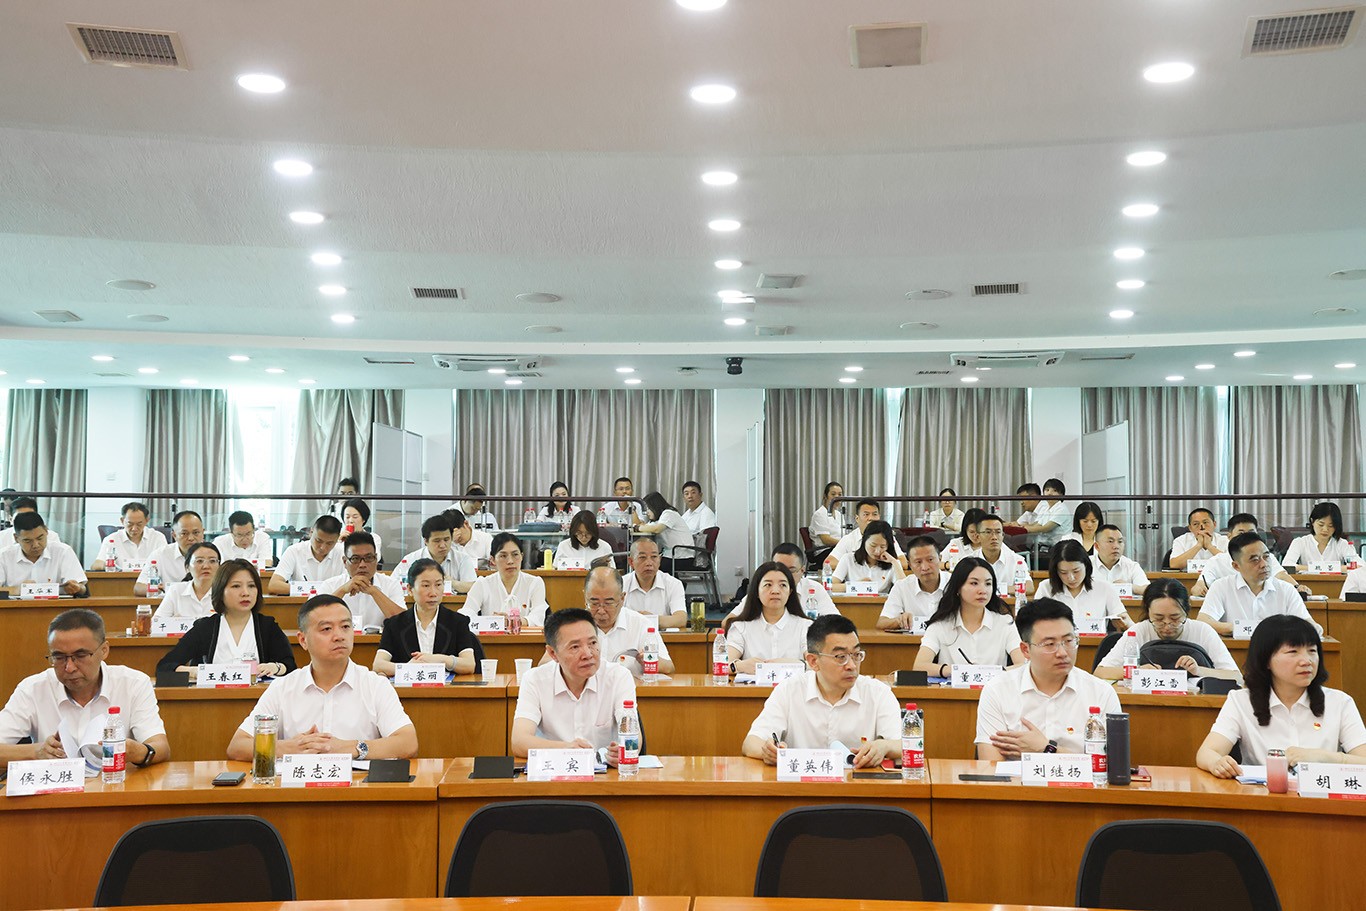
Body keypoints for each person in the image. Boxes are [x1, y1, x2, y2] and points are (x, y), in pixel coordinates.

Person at [226, 594, 418, 761]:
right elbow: (238, 746)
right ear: (303, 640)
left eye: (345, 626)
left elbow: (408, 742)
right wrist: (288, 748)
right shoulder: (283, 688)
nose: (339, 636)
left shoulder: (375, 685)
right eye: (326, 629)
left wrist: (351, 748)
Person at [0, 609, 169, 771]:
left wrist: (137, 751)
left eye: (80, 656)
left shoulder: (133, 683)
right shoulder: (32, 689)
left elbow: (161, 747)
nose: (69, 667)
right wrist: (36, 752)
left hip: (115, 784)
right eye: (59, 657)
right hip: (55, 787)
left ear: (104, 650)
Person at [1197, 615, 1366, 777]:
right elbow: (1207, 752)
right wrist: (1218, 763)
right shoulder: (1241, 701)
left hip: (1322, 794)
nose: (1307, 661)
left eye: (1312, 651)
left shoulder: (1339, 702)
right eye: (1293, 651)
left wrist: (1324, 758)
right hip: (1263, 794)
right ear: (1266, 660)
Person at [742, 614, 901, 767]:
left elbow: (903, 745)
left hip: (858, 783)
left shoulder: (878, 693)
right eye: (841, 657)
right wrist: (768, 751)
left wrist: (884, 746)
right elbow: (751, 742)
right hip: (801, 782)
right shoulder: (789, 690)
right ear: (813, 661)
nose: (852, 665)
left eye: (856, 655)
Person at [974, 599, 1121, 760]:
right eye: (1050, 644)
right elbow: (991, 766)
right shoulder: (998, 690)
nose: (1062, 653)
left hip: (1079, 778)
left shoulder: (1101, 693)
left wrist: (1047, 749)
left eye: (1069, 641)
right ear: (1025, 650)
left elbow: (1113, 765)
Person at [510, 607, 634, 765]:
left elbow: (633, 735)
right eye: (575, 647)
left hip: (605, 773)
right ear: (553, 653)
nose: (588, 654)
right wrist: (567, 749)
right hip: (553, 772)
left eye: (593, 643)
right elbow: (519, 741)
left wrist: (625, 751)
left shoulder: (618, 676)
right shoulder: (535, 680)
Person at [157, 560, 295, 679]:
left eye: (251, 586)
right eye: (236, 586)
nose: (246, 593)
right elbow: (165, 666)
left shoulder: (267, 626)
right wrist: (195, 672)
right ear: (220, 591)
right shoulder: (205, 627)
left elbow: (290, 666)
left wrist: (275, 667)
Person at [1095, 579, 1239, 681]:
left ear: (1186, 610)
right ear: (1148, 612)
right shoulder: (1138, 631)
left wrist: (1199, 670)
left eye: (1175, 618)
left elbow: (1236, 676)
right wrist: (1135, 672)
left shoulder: (1202, 631)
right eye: (1158, 619)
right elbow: (1100, 672)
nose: (1167, 625)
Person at [913, 558, 1024, 675]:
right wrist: (958, 672)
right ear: (958, 587)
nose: (983, 590)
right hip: (953, 686)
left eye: (988, 584)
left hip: (995, 686)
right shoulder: (940, 625)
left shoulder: (1004, 623)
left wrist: (991, 673)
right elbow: (919, 666)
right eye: (974, 583)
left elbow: (1023, 665)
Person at [1199, 532, 1322, 636]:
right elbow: (1203, 621)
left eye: (1266, 557)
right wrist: (1235, 628)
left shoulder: (1286, 589)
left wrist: (1314, 627)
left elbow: (1308, 623)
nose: (1264, 564)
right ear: (1236, 566)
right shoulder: (1221, 587)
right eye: (1255, 560)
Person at [373, 558, 481, 677]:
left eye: (438, 585)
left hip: (446, 688)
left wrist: (439, 659)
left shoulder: (458, 621)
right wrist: (407, 668)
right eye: (426, 585)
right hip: (407, 688)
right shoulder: (395, 624)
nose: (433, 593)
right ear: (410, 589)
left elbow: (469, 664)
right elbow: (378, 665)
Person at [581, 565, 675, 675]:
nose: (601, 611)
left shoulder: (641, 624)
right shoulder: (573, 626)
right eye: (594, 603)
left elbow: (669, 667)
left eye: (608, 603)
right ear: (585, 597)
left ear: (622, 598)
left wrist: (651, 661)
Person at [726, 562, 814, 675]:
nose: (775, 591)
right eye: (768, 585)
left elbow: (817, 664)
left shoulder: (805, 626)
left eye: (783, 585)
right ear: (757, 591)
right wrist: (740, 666)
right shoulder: (740, 626)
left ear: (790, 592)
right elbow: (723, 665)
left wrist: (796, 664)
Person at [725, 543, 841, 628]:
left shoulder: (814, 589)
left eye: (791, 570)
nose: (785, 575)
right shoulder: (763, 590)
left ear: (802, 571)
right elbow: (728, 622)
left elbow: (837, 623)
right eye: (779, 569)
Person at [1190, 514, 1299, 597]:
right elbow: (1198, 586)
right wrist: (1198, 589)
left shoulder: (1266, 557)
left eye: (1251, 532)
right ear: (1229, 536)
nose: (1247, 537)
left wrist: (1297, 587)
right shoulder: (1216, 561)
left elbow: (1281, 576)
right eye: (1241, 533)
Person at [316, 532, 406, 632]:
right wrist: (342, 591)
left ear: (376, 559)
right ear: (345, 562)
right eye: (355, 559)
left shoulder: (391, 584)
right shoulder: (330, 585)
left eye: (369, 558)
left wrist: (374, 591)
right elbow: (314, 619)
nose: (362, 565)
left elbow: (404, 622)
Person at [1033, 540, 1131, 630]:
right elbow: (1034, 624)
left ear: (1086, 566)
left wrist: (1125, 622)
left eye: (1076, 571)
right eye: (1063, 572)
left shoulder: (1104, 587)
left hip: (1095, 642)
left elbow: (1125, 620)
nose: (1071, 578)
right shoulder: (1046, 588)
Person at [460, 532, 549, 626]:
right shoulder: (483, 584)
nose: (510, 561)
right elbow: (466, 612)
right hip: (492, 635)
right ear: (493, 560)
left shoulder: (534, 583)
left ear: (522, 556)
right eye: (503, 556)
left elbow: (539, 616)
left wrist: (515, 622)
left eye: (515, 554)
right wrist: (489, 621)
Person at [0, 512, 88, 596]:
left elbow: (82, 589)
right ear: (16, 538)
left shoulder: (63, 551)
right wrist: (18, 590)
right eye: (28, 541)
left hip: (55, 605)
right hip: (17, 606)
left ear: (46, 531)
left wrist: (77, 588)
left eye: (40, 538)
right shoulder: (4, 556)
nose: (35, 545)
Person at [878, 535, 950, 629]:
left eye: (930, 560)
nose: (925, 567)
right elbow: (882, 623)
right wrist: (899, 621)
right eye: (918, 562)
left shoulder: (956, 583)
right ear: (910, 565)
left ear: (940, 559)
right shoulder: (902, 586)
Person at [393, 515, 477, 593]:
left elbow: (474, 587)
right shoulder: (410, 559)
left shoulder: (462, 559)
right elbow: (393, 586)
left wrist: (452, 583)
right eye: (437, 541)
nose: (442, 545)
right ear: (426, 541)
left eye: (446, 539)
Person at [134, 510, 204, 597]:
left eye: (196, 533)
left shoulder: (213, 554)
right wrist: (159, 589)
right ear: (174, 535)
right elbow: (138, 587)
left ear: (203, 532)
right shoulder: (160, 554)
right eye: (184, 533)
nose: (191, 538)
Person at [268, 515, 344, 594]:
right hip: (302, 601)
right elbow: (274, 585)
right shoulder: (294, 551)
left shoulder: (343, 553)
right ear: (311, 532)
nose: (322, 547)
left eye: (329, 543)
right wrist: (311, 590)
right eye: (319, 541)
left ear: (337, 538)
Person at [621, 538, 686, 629]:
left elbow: (681, 619)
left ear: (660, 560)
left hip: (661, 636)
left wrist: (651, 619)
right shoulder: (620, 585)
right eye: (642, 557)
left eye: (654, 557)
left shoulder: (673, 584)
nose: (649, 563)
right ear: (631, 562)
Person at [828, 499, 906, 570]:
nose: (871, 518)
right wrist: (859, 566)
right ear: (857, 518)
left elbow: (903, 563)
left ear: (879, 517)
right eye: (866, 514)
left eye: (874, 514)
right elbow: (829, 562)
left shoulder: (887, 537)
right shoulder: (848, 539)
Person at [831, 520, 905, 593]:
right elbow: (830, 586)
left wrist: (894, 562)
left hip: (881, 601)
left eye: (882, 547)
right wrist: (855, 585)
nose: (877, 551)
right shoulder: (848, 559)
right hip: (854, 600)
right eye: (873, 545)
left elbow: (904, 590)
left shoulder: (892, 564)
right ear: (864, 541)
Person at [153, 541, 221, 619]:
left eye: (212, 561)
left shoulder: (225, 592)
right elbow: (157, 621)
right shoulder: (176, 590)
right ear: (187, 567)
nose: (206, 566)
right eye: (199, 561)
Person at [1283, 502, 1358, 569]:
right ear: (1312, 521)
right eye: (1321, 524)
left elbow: (1359, 565)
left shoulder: (1342, 544)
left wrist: (1315, 568)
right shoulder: (1300, 542)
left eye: (1331, 526)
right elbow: (1287, 565)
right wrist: (1325, 568)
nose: (1325, 529)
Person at [975, 514, 1034, 596]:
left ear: (1003, 536)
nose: (994, 537)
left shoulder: (1016, 560)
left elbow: (1029, 587)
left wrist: (999, 589)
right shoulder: (969, 561)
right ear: (978, 537)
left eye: (998, 532)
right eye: (988, 532)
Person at [90, 501, 157, 570]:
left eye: (139, 524)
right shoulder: (111, 539)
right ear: (122, 521)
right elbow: (97, 565)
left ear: (147, 520)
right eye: (130, 524)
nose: (134, 528)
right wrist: (108, 565)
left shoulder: (157, 538)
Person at [635, 491, 694, 568]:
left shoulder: (669, 513)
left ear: (655, 506)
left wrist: (638, 527)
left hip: (682, 556)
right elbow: (646, 527)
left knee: (649, 566)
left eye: (648, 508)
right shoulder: (658, 519)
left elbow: (657, 529)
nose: (647, 512)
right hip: (671, 555)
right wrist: (638, 526)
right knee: (645, 562)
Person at [1090, 524, 1150, 595]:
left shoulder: (1131, 566)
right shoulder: (1086, 564)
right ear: (1097, 546)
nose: (1116, 546)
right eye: (1110, 541)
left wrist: (1128, 587)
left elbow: (1148, 590)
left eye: (1120, 541)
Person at [809, 481, 845, 546]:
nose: (837, 497)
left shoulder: (839, 514)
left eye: (839, 494)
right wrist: (845, 544)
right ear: (825, 496)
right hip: (826, 549)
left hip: (839, 547)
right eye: (833, 494)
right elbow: (826, 540)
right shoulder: (819, 514)